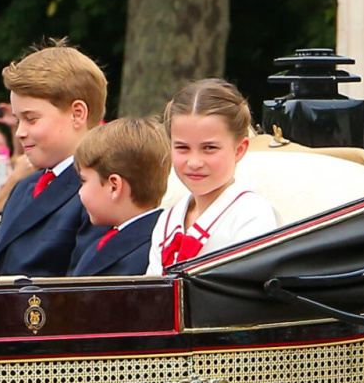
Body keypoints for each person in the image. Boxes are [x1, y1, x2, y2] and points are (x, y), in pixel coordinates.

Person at [0, 41, 109, 280]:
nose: (20, 133)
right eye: (18, 120)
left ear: (77, 114)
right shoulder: (24, 188)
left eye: (31, 119)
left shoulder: (100, 191)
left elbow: (79, 289)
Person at [146, 79, 278, 275]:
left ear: (239, 149)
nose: (194, 162)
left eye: (209, 148)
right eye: (182, 148)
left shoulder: (251, 215)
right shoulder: (167, 221)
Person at [70, 118, 169, 276]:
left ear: (114, 186)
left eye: (84, 181)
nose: (80, 192)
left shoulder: (152, 248)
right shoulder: (101, 239)